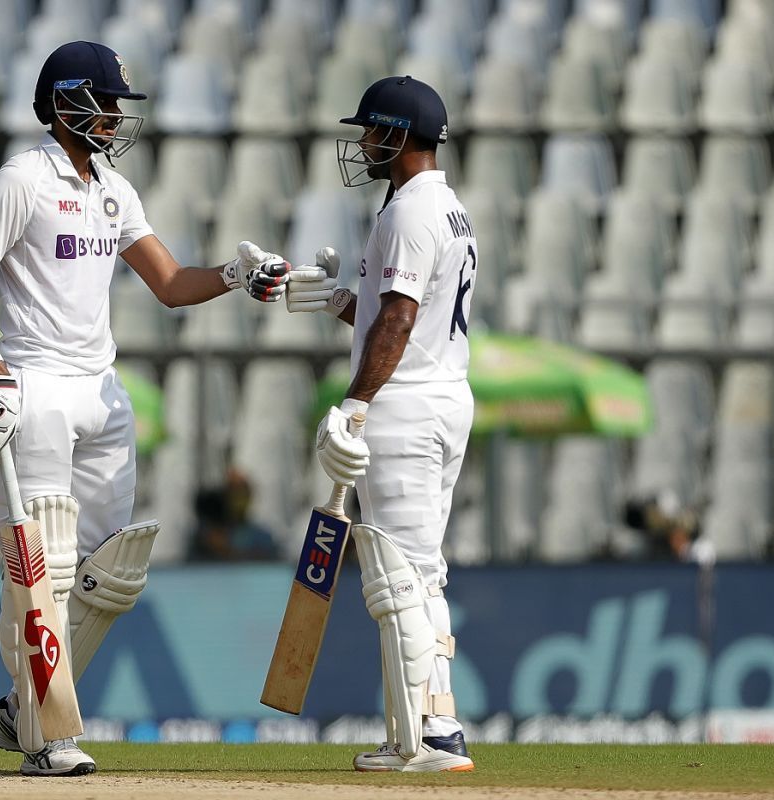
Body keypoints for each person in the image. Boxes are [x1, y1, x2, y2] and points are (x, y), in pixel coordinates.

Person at [0, 41, 290, 777]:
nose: (115, 117)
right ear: (66, 102)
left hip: (102, 389)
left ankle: (19, 708)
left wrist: (234, 273)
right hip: (35, 384)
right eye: (106, 102)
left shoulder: (114, 189)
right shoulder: (21, 179)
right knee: (42, 568)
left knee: (108, 574)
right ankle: (47, 738)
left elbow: (168, 284)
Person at [283, 76, 478, 772]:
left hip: (404, 407)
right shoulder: (446, 208)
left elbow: (397, 322)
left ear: (398, 135)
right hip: (441, 397)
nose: (363, 143)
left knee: (398, 576)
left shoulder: (407, 215)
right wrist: (337, 299)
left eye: (371, 131)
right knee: (423, 574)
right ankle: (438, 722)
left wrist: (356, 402)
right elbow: (396, 315)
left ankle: (422, 740)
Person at [188, 468, 279, 561]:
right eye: (233, 492)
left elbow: (274, 564)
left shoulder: (262, 536)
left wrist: (228, 551)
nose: (238, 499)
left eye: (242, 492)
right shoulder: (205, 535)